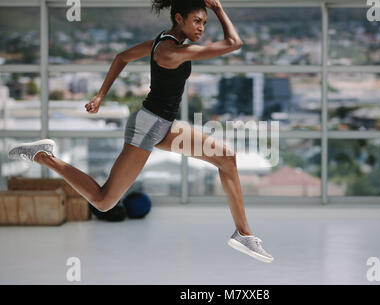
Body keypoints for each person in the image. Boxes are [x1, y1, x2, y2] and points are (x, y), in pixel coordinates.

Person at [7, 0, 273, 263]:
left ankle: (243, 234)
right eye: (197, 20)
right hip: (147, 127)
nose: (202, 27)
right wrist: (218, 9)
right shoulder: (172, 51)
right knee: (103, 201)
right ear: (179, 18)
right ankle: (44, 156)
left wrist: (100, 96)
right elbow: (234, 43)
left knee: (226, 158)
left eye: (204, 21)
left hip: (164, 125)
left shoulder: (164, 41)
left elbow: (122, 57)